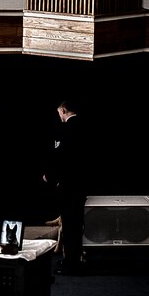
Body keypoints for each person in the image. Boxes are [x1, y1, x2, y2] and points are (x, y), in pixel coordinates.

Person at [43, 100, 87, 274]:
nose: (59, 116)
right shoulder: (83, 128)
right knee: (76, 224)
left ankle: (71, 264)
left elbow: (63, 159)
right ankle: (73, 260)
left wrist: (51, 176)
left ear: (63, 110)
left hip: (69, 186)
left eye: (59, 113)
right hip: (81, 184)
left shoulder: (68, 129)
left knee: (70, 226)